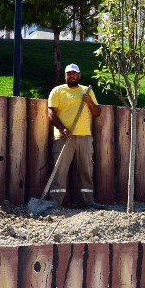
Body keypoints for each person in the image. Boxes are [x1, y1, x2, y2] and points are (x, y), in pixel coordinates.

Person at [47, 63, 101, 207]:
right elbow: (51, 113)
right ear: (65, 75)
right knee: (59, 170)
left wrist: (89, 102)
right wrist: (63, 129)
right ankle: (55, 201)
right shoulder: (57, 91)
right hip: (63, 137)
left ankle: (88, 202)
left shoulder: (87, 91)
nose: (71, 75)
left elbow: (97, 112)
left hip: (84, 137)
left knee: (86, 170)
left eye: (74, 73)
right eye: (68, 73)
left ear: (79, 75)